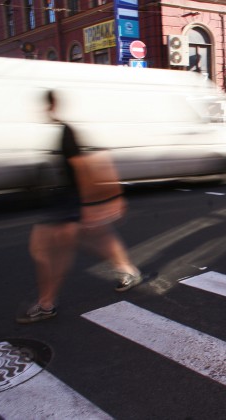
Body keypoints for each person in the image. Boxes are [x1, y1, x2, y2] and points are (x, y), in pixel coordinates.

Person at [16, 90, 143, 324]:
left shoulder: (65, 132)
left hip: (68, 201)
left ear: (51, 106)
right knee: (92, 237)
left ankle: (46, 303)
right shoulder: (59, 130)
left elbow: (81, 169)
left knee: (50, 250)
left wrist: (87, 205)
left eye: (43, 106)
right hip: (60, 199)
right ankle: (127, 269)